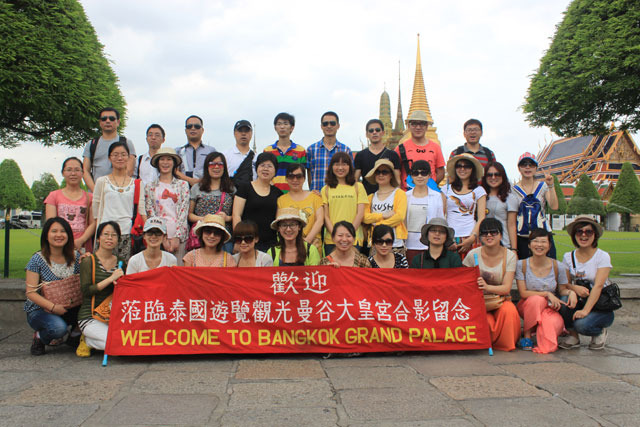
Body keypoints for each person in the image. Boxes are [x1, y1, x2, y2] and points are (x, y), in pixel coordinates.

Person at [25, 217, 81, 356]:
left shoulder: (75, 256)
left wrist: (87, 260)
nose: (59, 235)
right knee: (58, 328)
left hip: (69, 306)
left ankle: (74, 336)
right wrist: (53, 307)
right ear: (46, 235)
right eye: (54, 231)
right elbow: (30, 293)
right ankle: (40, 337)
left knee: (90, 315)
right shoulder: (37, 260)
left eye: (63, 231)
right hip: (41, 310)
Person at [462, 218, 520, 352]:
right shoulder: (472, 255)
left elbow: (506, 288)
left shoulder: (509, 256)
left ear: (501, 235)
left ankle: (504, 343)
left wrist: (487, 287)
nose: (489, 236)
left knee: (509, 311)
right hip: (479, 302)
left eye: (493, 232)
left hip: (501, 300)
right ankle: (487, 342)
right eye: (484, 233)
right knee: (487, 322)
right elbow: (464, 283)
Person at [559, 217, 614, 350]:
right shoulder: (568, 257)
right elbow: (564, 284)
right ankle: (573, 336)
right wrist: (574, 288)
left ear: (595, 235)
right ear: (574, 235)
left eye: (588, 232)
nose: (583, 235)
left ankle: (599, 331)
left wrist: (585, 311)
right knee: (564, 299)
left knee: (582, 325)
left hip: (600, 304)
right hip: (579, 299)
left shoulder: (602, 256)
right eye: (579, 231)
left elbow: (598, 286)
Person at [76, 221, 126, 357]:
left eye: (114, 235)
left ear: (118, 240)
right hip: (90, 316)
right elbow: (86, 291)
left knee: (126, 341)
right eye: (105, 234)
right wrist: (110, 279)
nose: (109, 238)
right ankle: (88, 340)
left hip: (112, 316)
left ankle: (90, 341)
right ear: (98, 238)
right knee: (117, 343)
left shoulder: (121, 263)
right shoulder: (88, 261)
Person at [515, 228, 568, 353]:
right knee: (536, 300)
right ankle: (527, 335)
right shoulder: (521, 265)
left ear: (549, 246)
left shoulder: (558, 266)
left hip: (550, 308)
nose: (539, 245)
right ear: (529, 245)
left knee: (548, 338)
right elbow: (523, 293)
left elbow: (563, 290)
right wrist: (547, 294)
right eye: (535, 241)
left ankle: (542, 330)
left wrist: (571, 293)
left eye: (543, 242)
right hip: (528, 306)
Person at [92, 141, 141, 261]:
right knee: (102, 266)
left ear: (129, 157)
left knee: (123, 268)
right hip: (105, 234)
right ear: (109, 158)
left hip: (126, 233)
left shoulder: (136, 183)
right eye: (115, 155)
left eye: (123, 154)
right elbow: (95, 211)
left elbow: (141, 209)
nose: (120, 158)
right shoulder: (102, 181)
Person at [143, 147, 190, 263]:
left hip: (179, 237)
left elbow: (184, 212)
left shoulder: (183, 185)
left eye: (169, 159)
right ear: (157, 163)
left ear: (174, 163)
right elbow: (150, 212)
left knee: (178, 268)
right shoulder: (150, 186)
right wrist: (162, 238)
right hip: (156, 237)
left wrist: (177, 237)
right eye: (162, 159)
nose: (165, 163)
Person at [232, 152, 283, 252]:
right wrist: (239, 240)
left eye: (269, 166)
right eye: (262, 165)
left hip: (270, 244)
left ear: (275, 171)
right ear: (256, 168)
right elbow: (236, 215)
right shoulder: (245, 188)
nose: (265, 169)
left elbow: (278, 221)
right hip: (247, 242)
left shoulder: (278, 193)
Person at [513, 152, 558, 260]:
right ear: (519, 168)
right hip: (522, 236)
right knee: (523, 267)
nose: (527, 167)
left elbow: (554, 206)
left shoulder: (543, 186)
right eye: (524, 164)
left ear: (536, 168)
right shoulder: (513, 190)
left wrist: (551, 185)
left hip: (542, 236)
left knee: (549, 266)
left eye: (531, 164)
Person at [321, 152, 369, 254]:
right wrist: (336, 235)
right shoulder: (326, 189)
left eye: (344, 164)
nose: (340, 168)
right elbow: (326, 216)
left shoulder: (358, 187)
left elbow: (360, 214)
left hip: (354, 239)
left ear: (350, 167)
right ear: (331, 167)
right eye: (337, 164)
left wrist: (348, 235)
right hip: (332, 240)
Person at [45, 157, 95, 253]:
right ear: (63, 173)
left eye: (77, 170)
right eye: (69, 170)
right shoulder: (53, 196)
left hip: (82, 247)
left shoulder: (90, 197)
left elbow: (93, 223)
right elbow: (51, 224)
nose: (73, 173)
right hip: (59, 246)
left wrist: (81, 240)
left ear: (82, 173)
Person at [188, 152, 236, 251]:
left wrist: (227, 218)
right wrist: (204, 218)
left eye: (220, 164)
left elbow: (237, 215)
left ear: (224, 167)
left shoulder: (231, 189)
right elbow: (190, 215)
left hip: (224, 239)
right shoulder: (197, 188)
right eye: (212, 164)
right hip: (202, 237)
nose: (216, 167)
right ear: (207, 167)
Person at [82, 107, 136, 192]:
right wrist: (96, 191)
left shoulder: (126, 143)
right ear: (100, 122)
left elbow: (130, 169)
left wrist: (115, 190)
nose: (108, 121)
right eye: (104, 119)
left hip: (120, 192)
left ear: (118, 122)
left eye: (111, 118)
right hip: (96, 192)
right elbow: (85, 170)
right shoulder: (91, 144)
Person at [444, 153, 486, 260]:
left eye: (466, 166)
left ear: (472, 169)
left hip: (471, 235)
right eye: (459, 166)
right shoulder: (446, 189)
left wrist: (472, 238)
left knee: (471, 267)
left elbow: (481, 217)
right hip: (449, 238)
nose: (462, 169)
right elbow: (441, 214)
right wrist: (447, 239)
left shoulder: (479, 190)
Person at [405, 160, 447, 264]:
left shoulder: (436, 196)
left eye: (423, 173)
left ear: (429, 175)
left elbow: (440, 220)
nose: (420, 176)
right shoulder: (405, 196)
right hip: (409, 244)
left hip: (430, 246)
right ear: (411, 176)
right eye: (416, 173)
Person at [363, 159, 408, 255]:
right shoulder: (370, 197)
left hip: (395, 244)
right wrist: (383, 215)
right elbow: (365, 218)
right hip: (376, 245)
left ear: (391, 175)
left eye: (385, 172)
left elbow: (399, 217)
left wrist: (378, 225)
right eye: (378, 172)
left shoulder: (400, 194)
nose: (381, 175)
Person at [277, 163, 324, 252]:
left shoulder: (315, 197)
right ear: (286, 179)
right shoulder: (281, 200)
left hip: (313, 247)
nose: (295, 180)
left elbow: (320, 220)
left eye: (299, 176)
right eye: (291, 176)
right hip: (289, 249)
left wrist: (307, 241)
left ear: (304, 178)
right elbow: (280, 224)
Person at [394, 110, 445, 191]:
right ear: (409, 126)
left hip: (429, 193)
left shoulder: (435, 147)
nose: (418, 127)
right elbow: (395, 171)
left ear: (427, 126)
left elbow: (441, 172)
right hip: (407, 193)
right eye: (414, 123)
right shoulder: (400, 148)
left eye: (422, 124)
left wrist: (430, 185)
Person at [306, 111, 352, 192]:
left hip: (339, 196)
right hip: (316, 195)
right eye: (325, 124)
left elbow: (350, 174)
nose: (329, 126)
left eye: (332, 123)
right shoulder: (311, 149)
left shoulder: (345, 150)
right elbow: (309, 174)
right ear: (321, 126)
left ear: (338, 126)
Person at [355, 119, 401, 195]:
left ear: (383, 133)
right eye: (371, 131)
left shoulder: (393, 155)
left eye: (377, 130)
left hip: (388, 197)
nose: (374, 132)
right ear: (367, 134)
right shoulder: (360, 155)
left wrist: (398, 196)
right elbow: (355, 180)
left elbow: (397, 181)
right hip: (367, 197)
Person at [263, 112, 306, 193]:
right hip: (271, 194)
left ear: (292, 128)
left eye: (285, 124)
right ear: (275, 128)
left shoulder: (301, 151)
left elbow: (302, 176)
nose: (282, 127)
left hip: (293, 195)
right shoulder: (267, 151)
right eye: (279, 124)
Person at [482, 162, 518, 250]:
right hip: (483, 246)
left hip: (504, 245)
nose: (493, 177)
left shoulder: (510, 198)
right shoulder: (481, 197)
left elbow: (512, 225)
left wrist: (514, 249)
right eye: (489, 175)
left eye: (497, 174)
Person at [175, 115, 217, 187]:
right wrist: (190, 180)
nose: (193, 128)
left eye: (197, 126)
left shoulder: (211, 151)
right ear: (185, 130)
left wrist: (201, 181)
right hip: (183, 189)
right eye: (189, 126)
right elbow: (174, 170)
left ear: (202, 130)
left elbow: (216, 170)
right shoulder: (178, 151)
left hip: (206, 188)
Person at [225, 120, 256, 189]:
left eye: (246, 131)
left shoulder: (256, 157)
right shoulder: (226, 156)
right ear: (234, 133)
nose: (243, 134)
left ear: (251, 133)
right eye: (240, 131)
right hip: (231, 193)